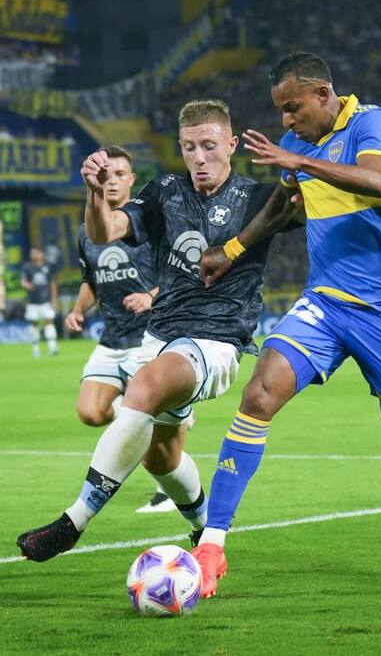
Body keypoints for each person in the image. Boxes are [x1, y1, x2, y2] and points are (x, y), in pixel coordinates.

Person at [192, 52, 381, 596]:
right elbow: (286, 203)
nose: (287, 121)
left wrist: (304, 161)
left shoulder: (373, 123)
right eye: (280, 112)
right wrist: (235, 248)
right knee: (258, 395)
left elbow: (377, 181)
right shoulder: (295, 147)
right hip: (324, 303)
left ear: (321, 93)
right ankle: (211, 547)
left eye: (292, 109)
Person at [16, 99, 301, 562]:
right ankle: (202, 529)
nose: (199, 157)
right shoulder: (164, 191)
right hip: (162, 333)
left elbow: (316, 207)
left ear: (231, 144)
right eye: (189, 147)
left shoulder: (257, 197)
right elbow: (107, 231)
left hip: (217, 340)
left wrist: (304, 163)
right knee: (160, 457)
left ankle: (73, 521)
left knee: (144, 386)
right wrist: (93, 192)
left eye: (209, 146)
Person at [65, 145, 175, 514]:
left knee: (153, 426)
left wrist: (151, 296)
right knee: (90, 412)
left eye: (118, 175)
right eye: (104, 175)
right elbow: (90, 280)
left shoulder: (148, 224)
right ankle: (136, 415)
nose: (110, 181)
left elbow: (179, 274)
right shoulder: (87, 232)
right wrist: (78, 309)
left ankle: (167, 492)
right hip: (112, 338)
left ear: (131, 180)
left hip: (150, 337)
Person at [21, 247, 59, 357]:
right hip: (33, 302)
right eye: (32, 253)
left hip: (46, 301)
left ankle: (52, 347)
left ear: (41, 254)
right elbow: (23, 281)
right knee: (34, 324)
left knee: (49, 322)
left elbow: (53, 283)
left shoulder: (48, 267)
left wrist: (54, 299)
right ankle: (35, 348)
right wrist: (26, 285)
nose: (33, 255)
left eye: (35, 253)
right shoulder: (27, 267)